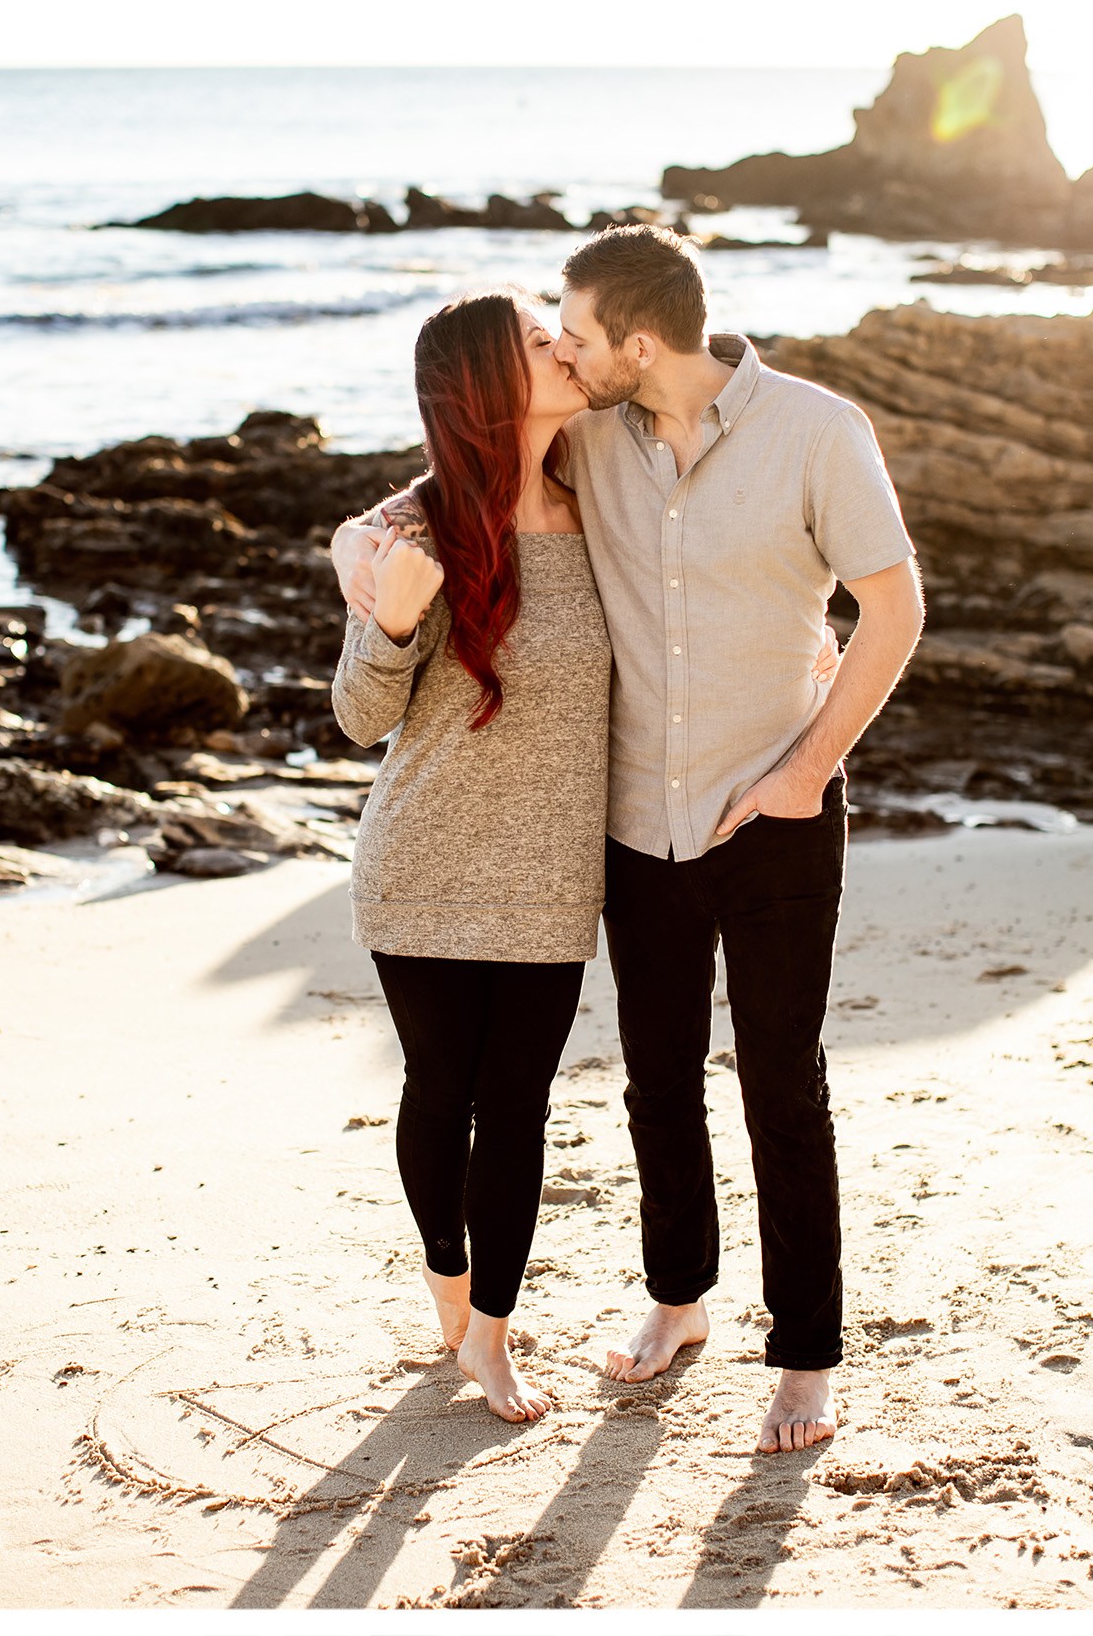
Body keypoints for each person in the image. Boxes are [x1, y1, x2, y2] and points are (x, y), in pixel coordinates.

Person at [343, 225, 921, 1455]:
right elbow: (427, 496)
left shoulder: (818, 432)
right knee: (657, 1084)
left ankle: (805, 1359)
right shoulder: (589, 440)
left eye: (579, 332)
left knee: (783, 1088)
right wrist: (357, 553)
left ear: (638, 343)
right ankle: (678, 1302)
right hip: (628, 828)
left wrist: (807, 769)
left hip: (776, 810)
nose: (565, 347)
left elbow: (894, 606)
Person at [330, 288, 609, 1424]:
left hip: (551, 872)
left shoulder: (606, 492)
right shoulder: (419, 532)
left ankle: (490, 1332)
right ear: (491, 384)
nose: (565, 349)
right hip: (423, 861)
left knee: (523, 1104)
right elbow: (357, 718)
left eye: (558, 333)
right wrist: (389, 616)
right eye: (541, 343)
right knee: (441, 1093)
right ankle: (456, 1300)